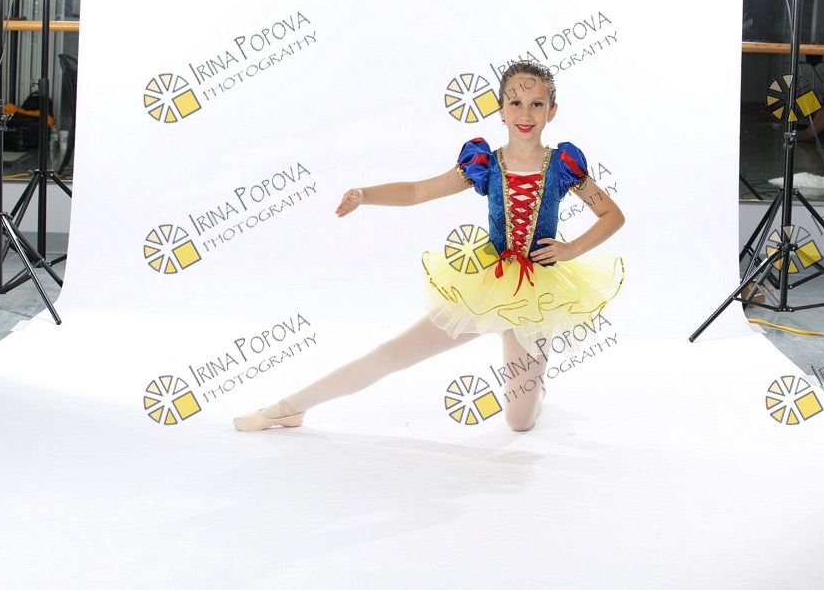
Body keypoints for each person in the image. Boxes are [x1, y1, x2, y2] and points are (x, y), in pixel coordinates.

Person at [233, 61, 626, 433]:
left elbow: (611, 214)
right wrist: (365, 194)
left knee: (519, 422)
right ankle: (286, 408)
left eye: (536, 104)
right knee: (394, 353)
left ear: (552, 111)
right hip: (485, 286)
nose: (526, 113)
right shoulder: (485, 164)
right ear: (501, 110)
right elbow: (418, 191)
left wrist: (570, 249)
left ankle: (537, 391)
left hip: (538, 295)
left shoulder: (563, 165)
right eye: (516, 103)